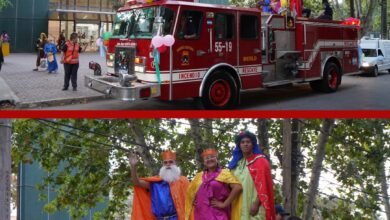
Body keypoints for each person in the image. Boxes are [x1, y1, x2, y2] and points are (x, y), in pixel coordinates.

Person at [129, 150, 190, 220]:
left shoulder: (183, 181)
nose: (168, 164)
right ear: (163, 165)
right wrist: (133, 167)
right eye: (165, 162)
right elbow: (136, 182)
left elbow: (191, 199)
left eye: (171, 162)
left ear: (175, 164)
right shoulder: (155, 182)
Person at [228, 131, 276, 220]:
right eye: (242, 142)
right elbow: (228, 185)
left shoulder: (260, 161)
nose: (245, 144)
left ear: (252, 144)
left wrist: (256, 204)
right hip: (238, 205)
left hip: (254, 204)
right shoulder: (235, 165)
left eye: (248, 142)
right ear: (239, 145)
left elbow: (267, 185)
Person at [185, 148, 242, 220]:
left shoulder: (224, 173)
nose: (209, 159)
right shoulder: (199, 176)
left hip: (218, 215)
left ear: (216, 159)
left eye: (212, 157)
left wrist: (224, 204)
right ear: (204, 162)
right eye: (206, 158)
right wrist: (193, 200)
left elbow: (238, 187)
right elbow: (191, 193)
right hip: (201, 214)